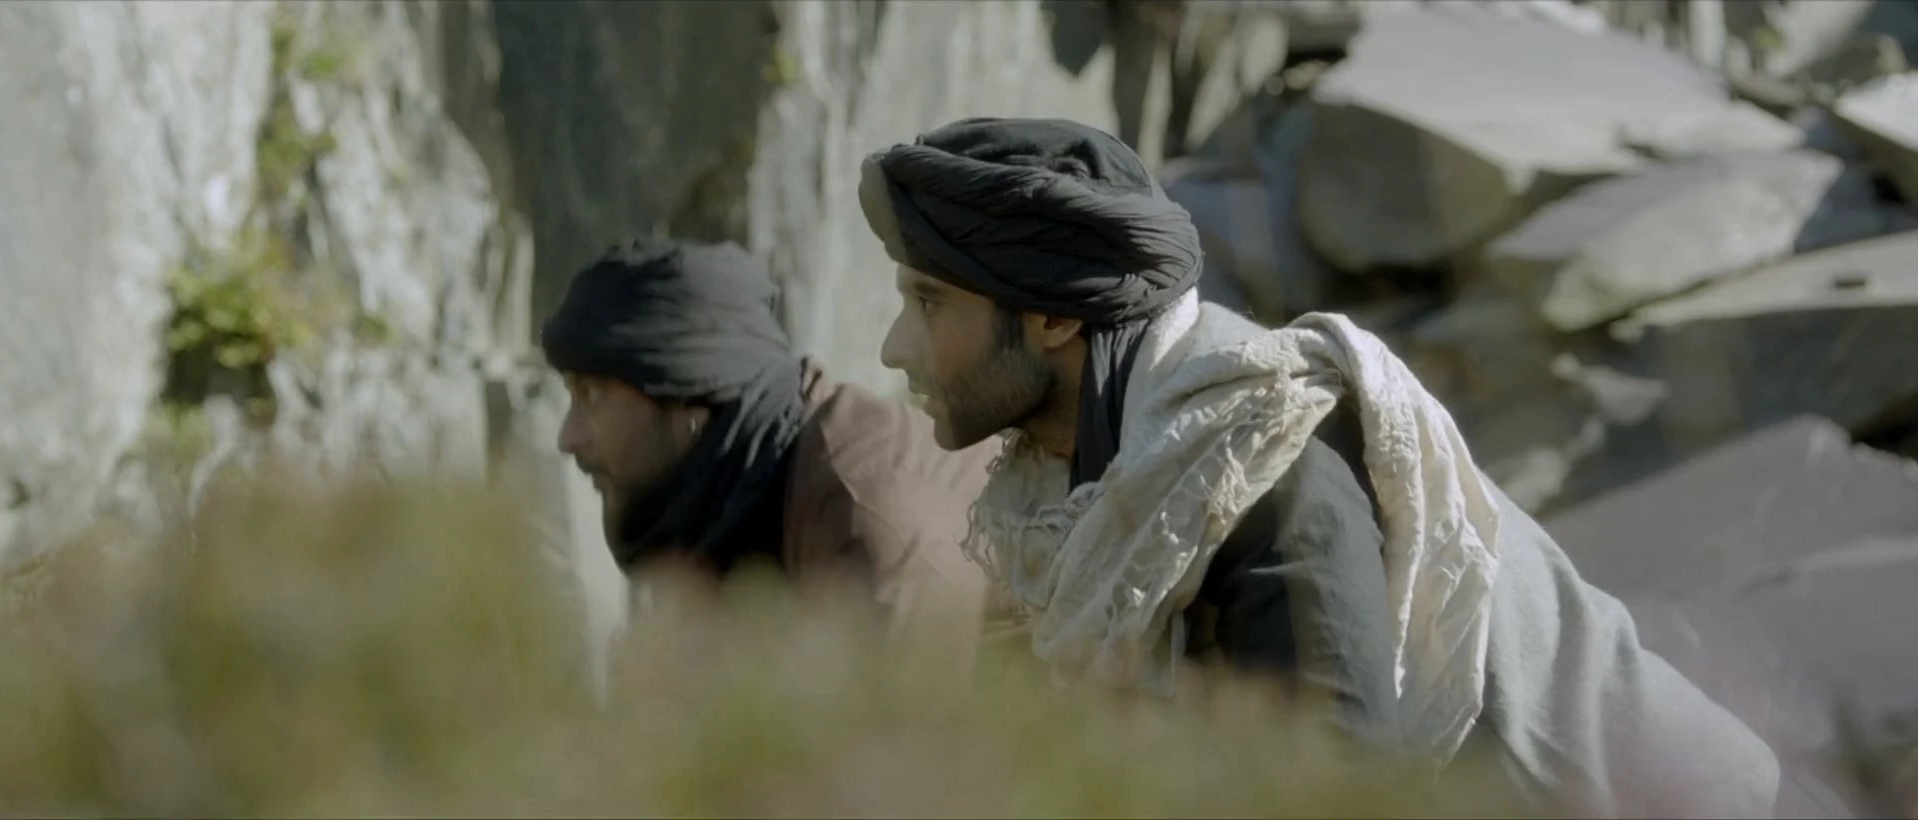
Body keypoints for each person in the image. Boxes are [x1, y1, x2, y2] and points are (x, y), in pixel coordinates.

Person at [856, 116, 1780, 817]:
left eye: (928, 303)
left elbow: (1342, 791)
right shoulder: (1053, 492)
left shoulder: (1257, 466)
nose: (896, 348)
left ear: (1055, 317)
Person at [539, 237, 998, 656]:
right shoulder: (725, 504)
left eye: (591, 396)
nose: (568, 437)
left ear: (689, 403)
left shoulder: (868, 520)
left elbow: (916, 718)